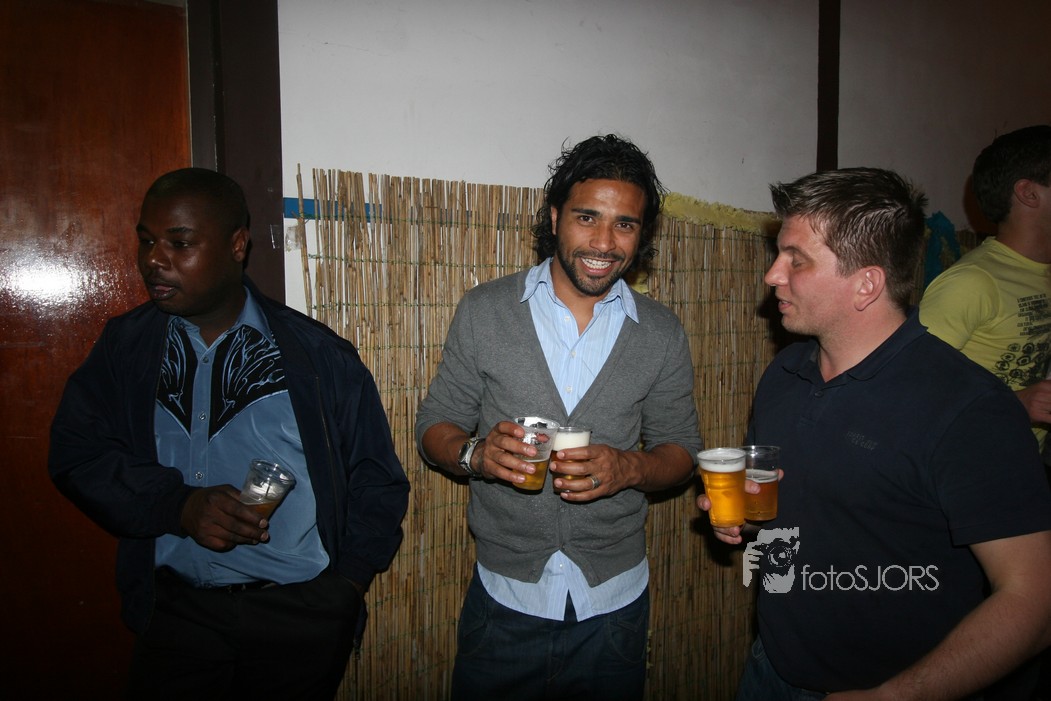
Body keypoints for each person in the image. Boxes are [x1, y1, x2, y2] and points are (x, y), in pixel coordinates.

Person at [49, 168, 410, 700]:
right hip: (175, 615)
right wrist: (177, 506)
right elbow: (77, 453)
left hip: (298, 617)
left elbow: (377, 481)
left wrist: (345, 588)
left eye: (180, 243)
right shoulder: (127, 347)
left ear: (237, 245)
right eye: (147, 240)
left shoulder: (316, 356)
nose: (154, 260)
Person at [699, 167, 1051, 700]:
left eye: (796, 259)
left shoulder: (969, 409)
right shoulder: (785, 374)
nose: (772, 275)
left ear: (867, 283)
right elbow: (805, 515)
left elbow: (1034, 601)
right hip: (771, 668)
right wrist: (746, 515)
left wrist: (894, 696)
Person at [414, 134, 703, 700]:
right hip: (505, 601)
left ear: (642, 234)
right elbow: (435, 424)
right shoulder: (485, 311)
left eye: (625, 224)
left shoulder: (661, 332)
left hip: (614, 607)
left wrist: (629, 468)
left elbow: (682, 451)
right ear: (554, 218)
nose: (604, 242)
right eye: (587, 217)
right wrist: (476, 455)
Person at [920, 124, 1051, 452]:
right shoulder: (971, 282)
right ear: (1029, 193)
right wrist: (1015, 402)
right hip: (970, 460)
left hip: (1027, 457)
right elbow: (908, 386)